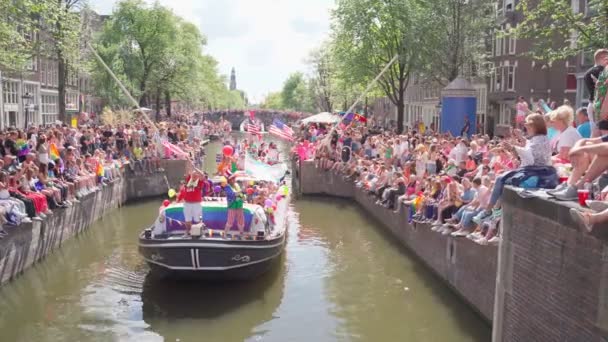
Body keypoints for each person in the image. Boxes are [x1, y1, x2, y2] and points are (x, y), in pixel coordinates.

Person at [182, 169, 205, 235]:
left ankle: (199, 233)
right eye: (193, 174)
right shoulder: (189, 179)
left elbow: (202, 175)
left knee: (198, 220)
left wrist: (195, 168)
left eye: (196, 175)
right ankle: (188, 232)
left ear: (198, 176)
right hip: (187, 203)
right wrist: (189, 160)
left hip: (196, 204)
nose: (194, 176)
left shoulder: (200, 182)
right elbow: (187, 169)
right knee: (187, 220)